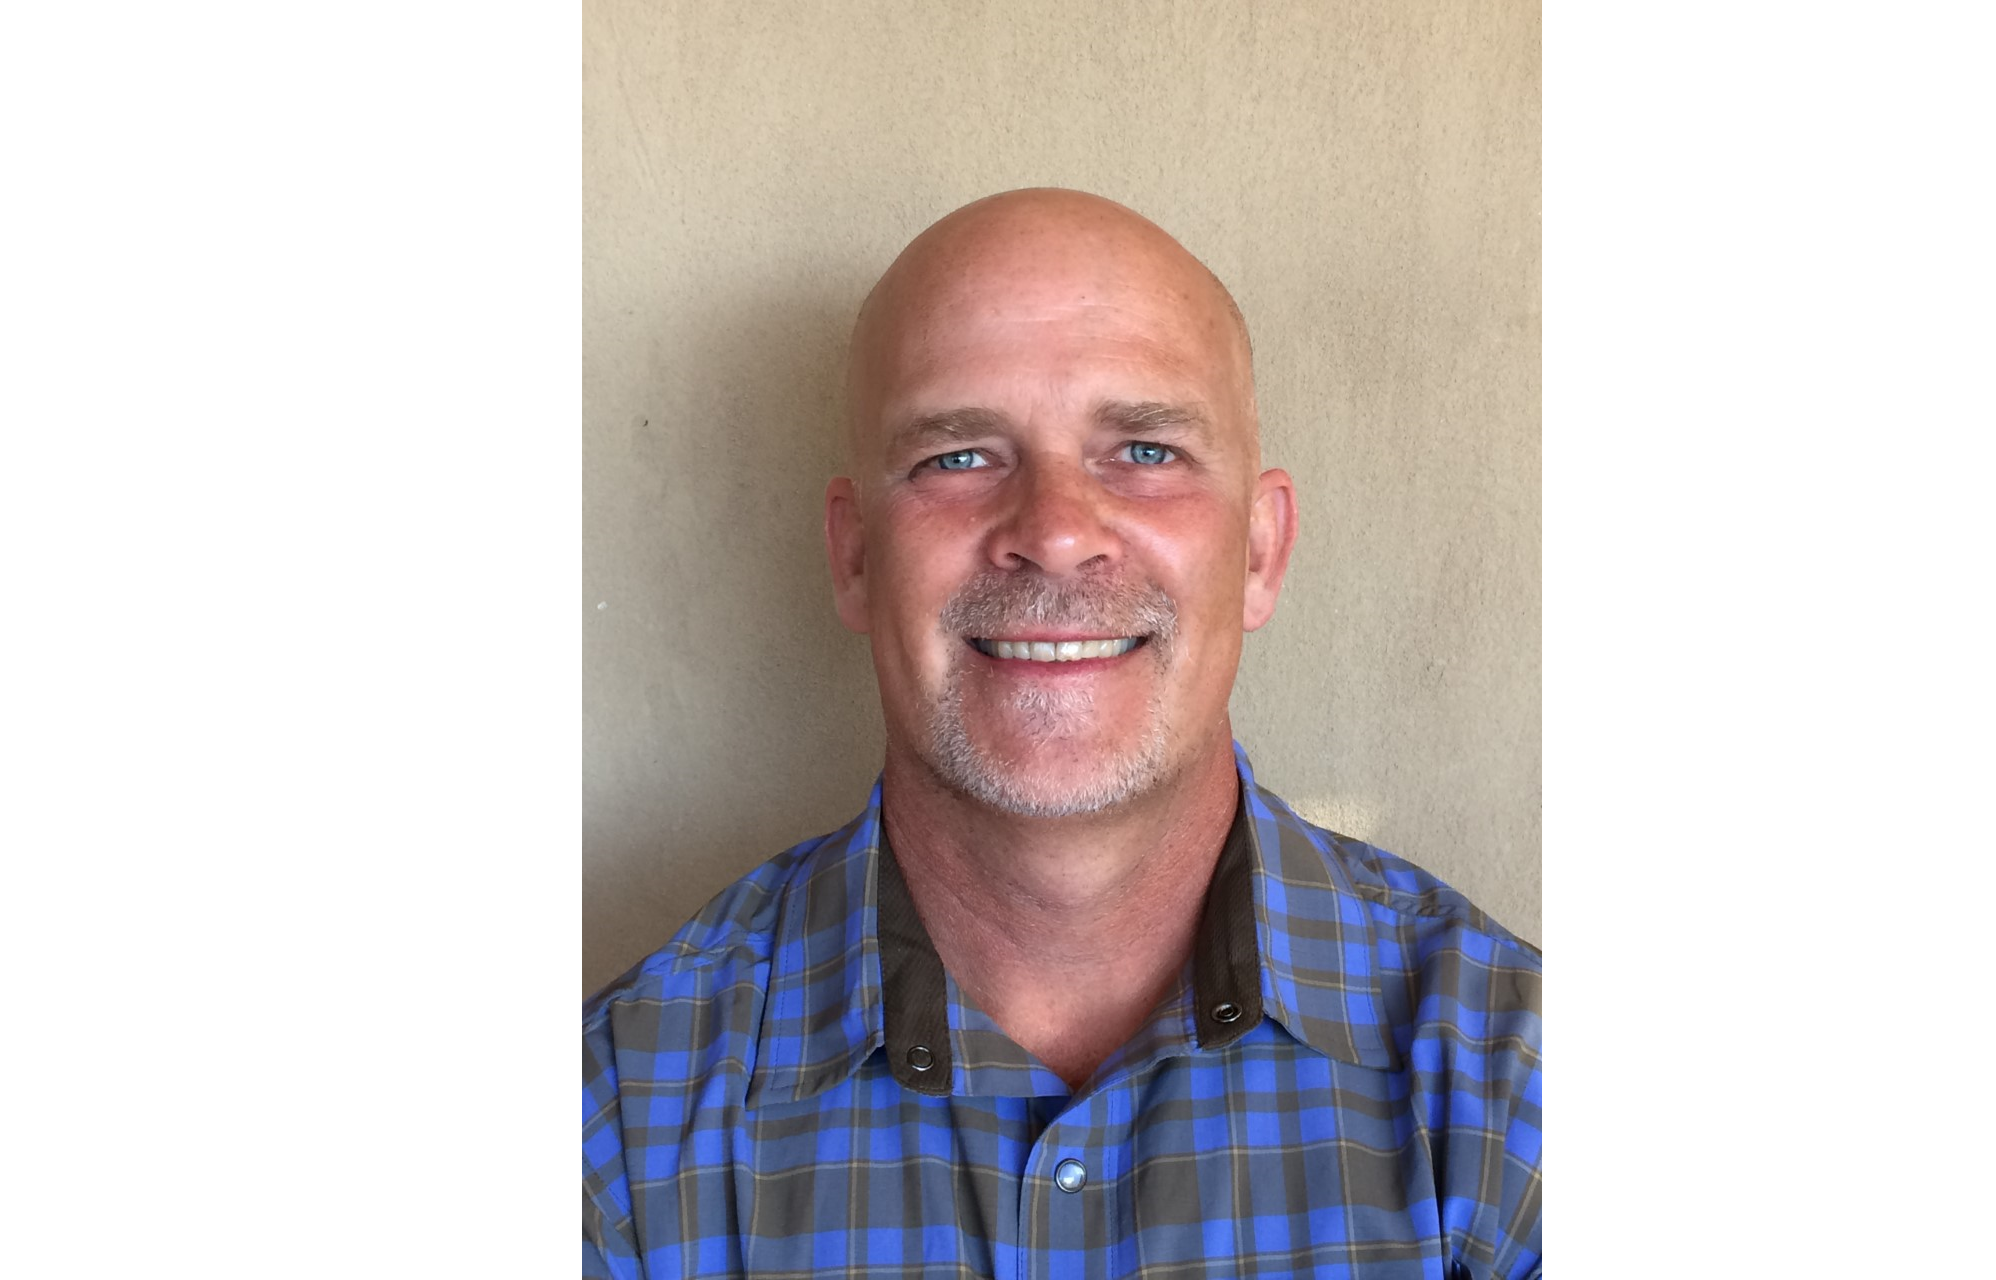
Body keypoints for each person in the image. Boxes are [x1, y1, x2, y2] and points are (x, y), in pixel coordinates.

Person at [582, 189, 1542, 1279]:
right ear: (854, 558)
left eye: (1144, 450)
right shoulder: (618, 1128)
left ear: (1260, 551)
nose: (1053, 533)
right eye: (958, 456)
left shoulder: (1516, 1091)